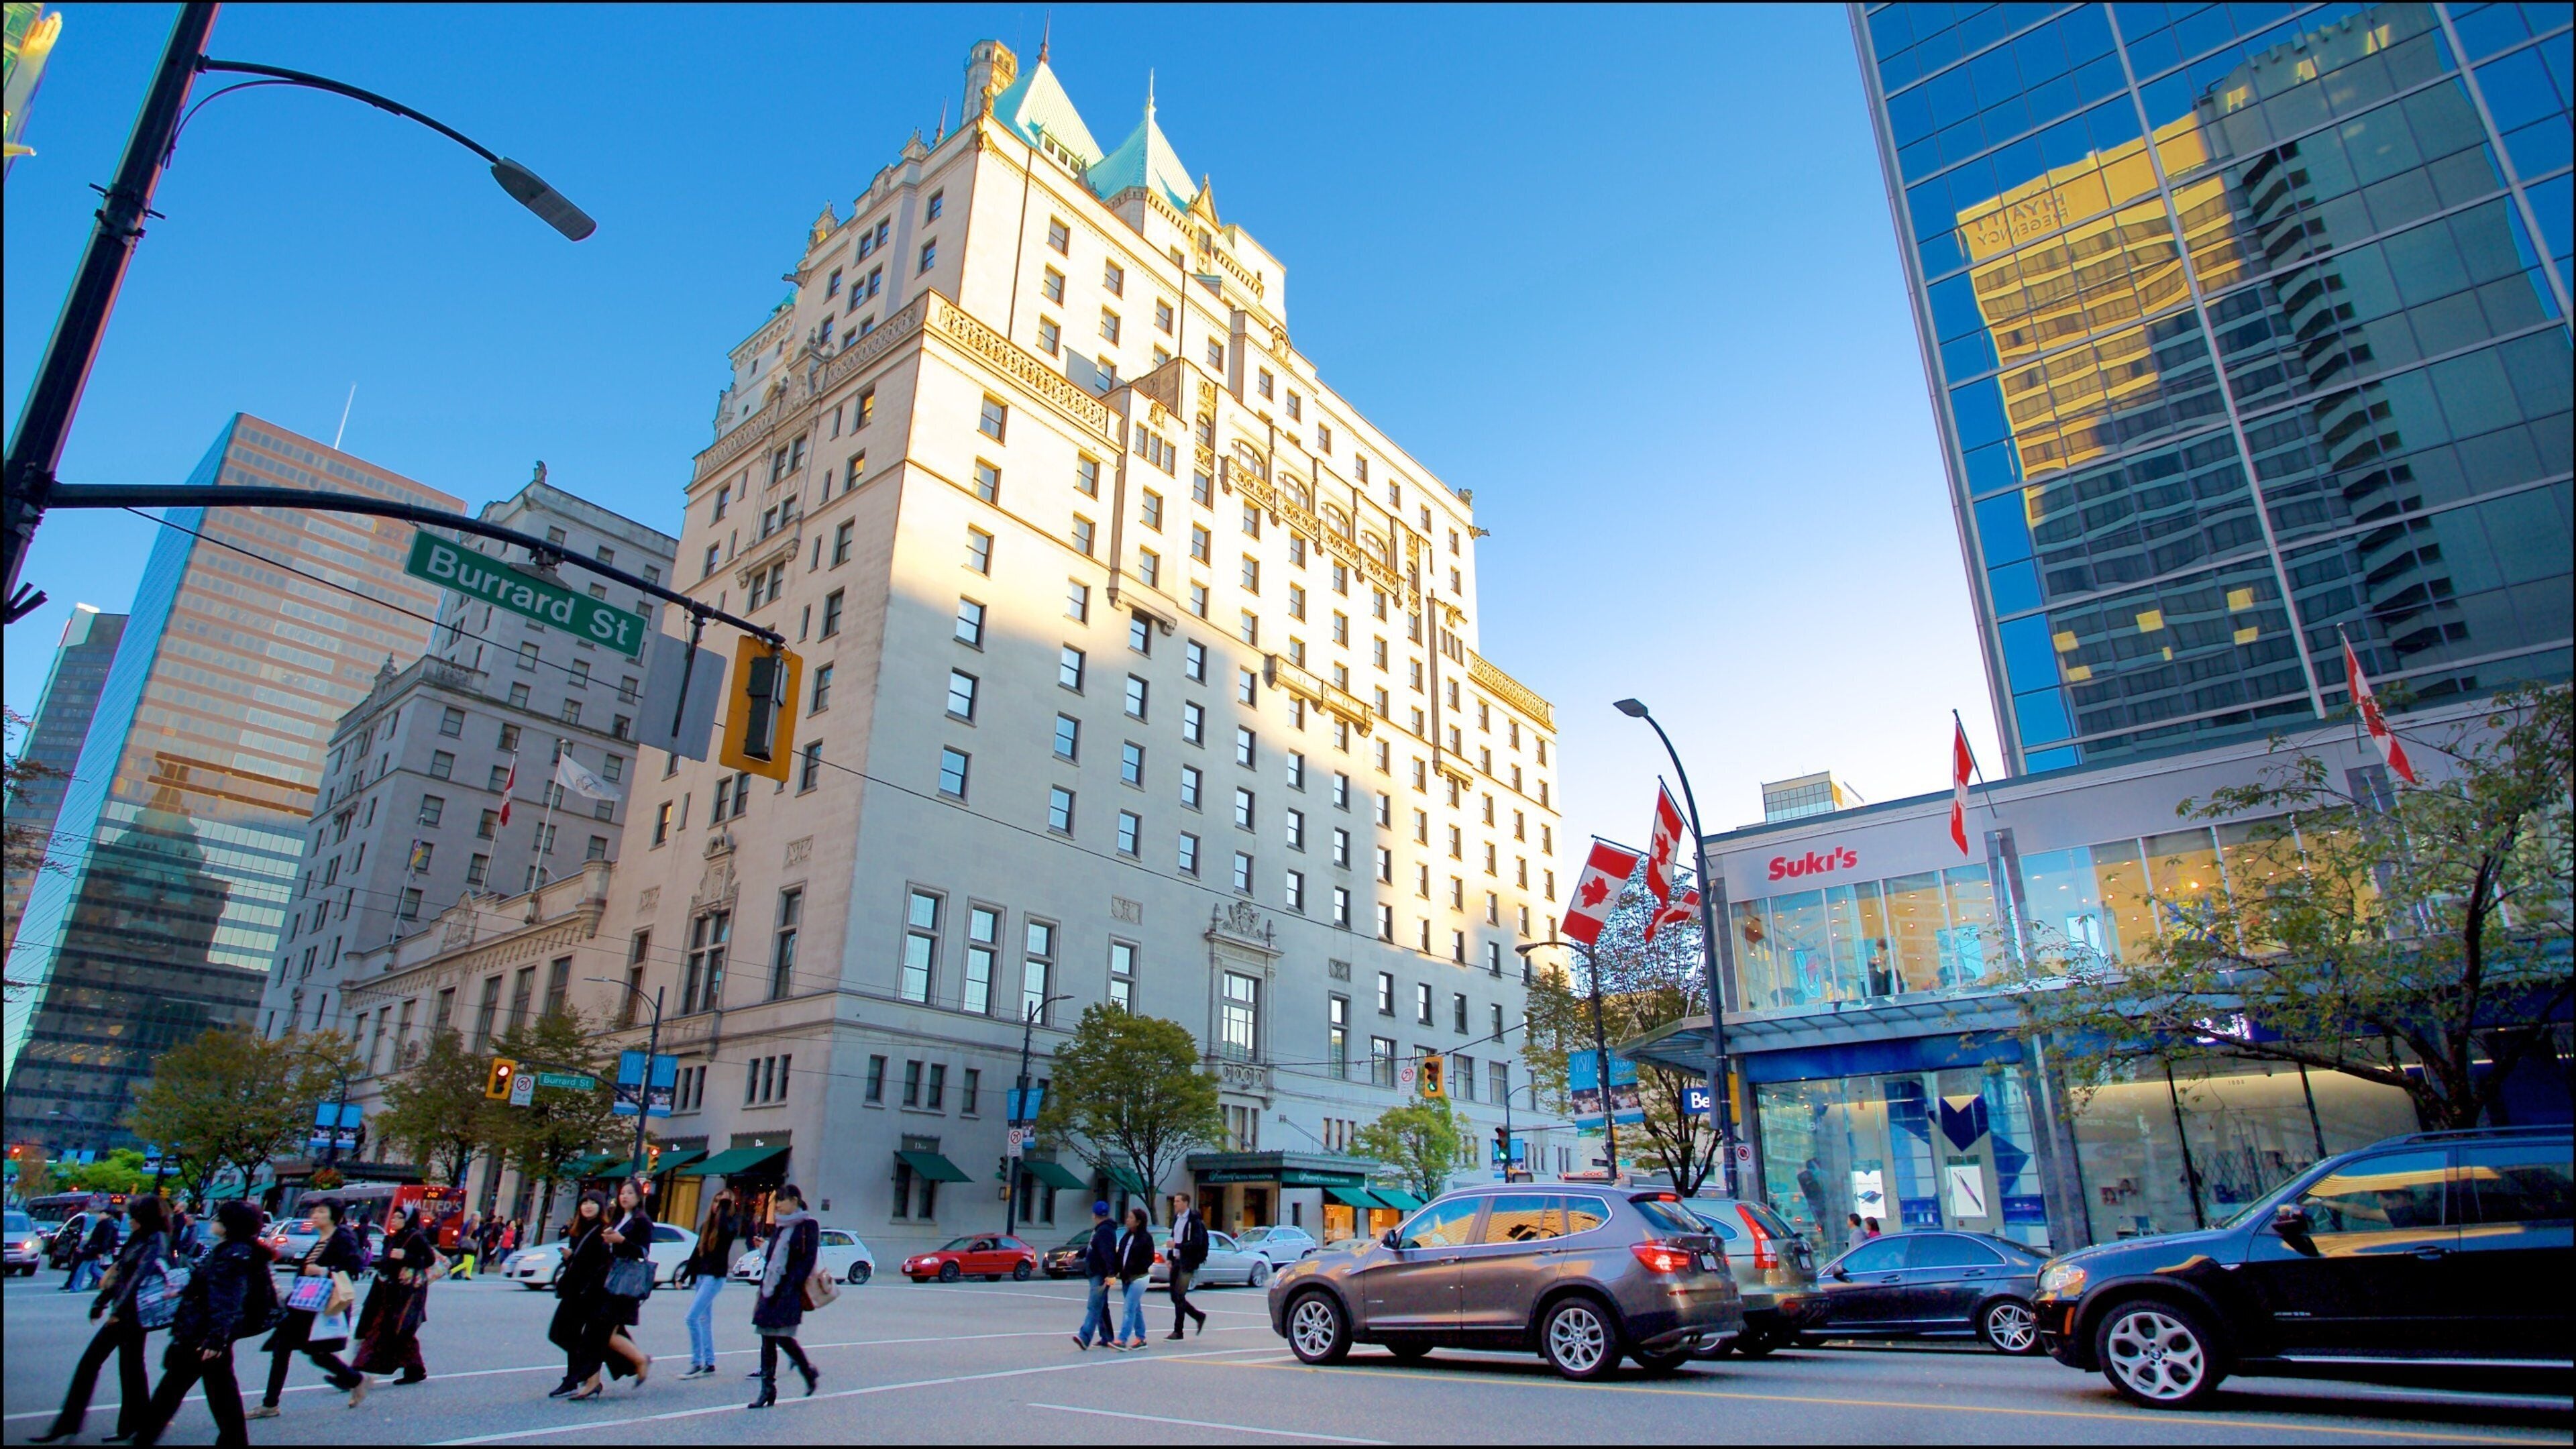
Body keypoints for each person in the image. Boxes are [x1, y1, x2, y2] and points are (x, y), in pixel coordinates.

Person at [131, 1200, 274, 1447]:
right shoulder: (235, 1250)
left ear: (229, 1225)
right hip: (208, 1334)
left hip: (202, 1335)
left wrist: (217, 1337)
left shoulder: (233, 1254)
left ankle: (145, 1437)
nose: (214, 1223)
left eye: (218, 1219)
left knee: (173, 1391)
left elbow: (227, 1299)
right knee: (220, 1394)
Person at [33, 1194, 170, 1444]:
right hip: (128, 1312)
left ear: (143, 1218)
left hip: (132, 1314)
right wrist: (102, 1301)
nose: (128, 1220)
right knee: (130, 1369)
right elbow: (120, 1273)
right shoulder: (141, 1238)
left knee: (97, 1365)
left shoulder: (155, 1240)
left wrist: (116, 1310)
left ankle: (72, 1423)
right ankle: (131, 1425)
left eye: (134, 1216)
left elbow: (139, 1279)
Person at [253, 1198, 368, 1419]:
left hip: (321, 1306)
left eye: (321, 1212)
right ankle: (270, 1404)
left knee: (317, 1354)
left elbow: (355, 1266)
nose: (315, 1215)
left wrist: (325, 1271)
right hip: (304, 1304)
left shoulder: (342, 1237)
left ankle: (355, 1380)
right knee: (282, 1349)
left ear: (334, 1216)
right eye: (315, 1211)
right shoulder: (321, 1239)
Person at [747, 1183, 820, 1409]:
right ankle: (767, 1389)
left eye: (782, 1200)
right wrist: (765, 1248)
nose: (778, 1205)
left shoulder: (808, 1225)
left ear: (795, 1201)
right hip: (770, 1286)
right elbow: (773, 1257)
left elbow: (807, 1259)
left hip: (789, 1289)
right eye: (776, 1200)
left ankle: (807, 1372)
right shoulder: (780, 1226)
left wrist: (791, 1284)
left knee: (782, 1337)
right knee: (767, 1338)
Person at [354, 1205, 433, 1385]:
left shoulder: (415, 1237)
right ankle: (414, 1369)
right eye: (394, 1217)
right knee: (390, 1329)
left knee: (398, 1329)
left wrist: (406, 1256)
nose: (394, 1220)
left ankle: (356, 1371)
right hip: (388, 1290)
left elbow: (429, 1259)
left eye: (399, 1217)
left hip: (406, 1292)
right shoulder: (392, 1238)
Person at [549, 1191, 614, 1400]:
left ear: (601, 1207)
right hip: (574, 1290)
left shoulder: (603, 1231)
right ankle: (578, 1374)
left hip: (590, 1292)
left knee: (567, 1333)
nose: (588, 1206)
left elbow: (602, 1263)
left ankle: (578, 1375)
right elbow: (578, 1263)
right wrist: (571, 1258)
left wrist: (574, 1258)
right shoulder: (577, 1230)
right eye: (584, 1202)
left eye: (593, 1203)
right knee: (561, 1333)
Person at [597, 1177, 655, 1388]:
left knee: (606, 1331)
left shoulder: (642, 1221)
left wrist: (621, 1241)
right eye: (622, 1193)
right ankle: (635, 1363)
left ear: (639, 1197)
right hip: (611, 1277)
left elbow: (643, 1252)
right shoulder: (618, 1218)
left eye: (630, 1193)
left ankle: (640, 1360)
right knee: (609, 1330)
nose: (624, 1196)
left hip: (625, 1281)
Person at [681, 1189, 739, 1376]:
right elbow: (697, 1253)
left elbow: (723, 1230)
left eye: (724, 1203)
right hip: (702, 1276)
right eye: (716, 1201)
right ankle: (709, 1361)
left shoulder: (730, 1225)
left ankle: (697, 1362)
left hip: (715, 1277)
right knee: (704, 1320)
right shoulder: (706, 1226)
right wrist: (683, 1277)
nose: (718, 1206)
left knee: (691, 1318)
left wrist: (724, 1208)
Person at [1069, 1201, 1118, 1351]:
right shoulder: (1104, 1230)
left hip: (1099, 1273)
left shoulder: (1103, 1231)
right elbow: (1094, 1248)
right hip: (1099, 1272)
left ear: (1094, 1215)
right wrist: (1077, 1254)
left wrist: (1110, 1273)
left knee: (1094, 1306)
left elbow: (1107, 1253)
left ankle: (1085, 1337)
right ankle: (1107, 1337)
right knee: (1102, 1306)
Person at [1165, 1193, 1208, 1340]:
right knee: (1174, 1296)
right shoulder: (1176, 1219)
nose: (1175, 1204)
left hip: (1188, 1263)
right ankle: (1198, 1316)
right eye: (1175, 1201)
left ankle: (1178, 1331)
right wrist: (1169, 1257)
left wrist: (1177, 1246)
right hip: (1177, 1261)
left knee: (1179, 1295)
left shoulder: (1193, 1221)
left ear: (1186, 1203)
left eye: (1178, 1201)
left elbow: (1196, 1243)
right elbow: (1173, 1238)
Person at [1114, 1206, 1154, 1350]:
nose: (1127, 1220)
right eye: (1128, 1218)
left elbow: (1149, 1259)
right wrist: (1115, 1272)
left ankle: (1122, 1339)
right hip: (1126, 1279)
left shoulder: (1146, 1238)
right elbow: (1120, 1257)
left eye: (1131, 1218)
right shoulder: (1126, 1237)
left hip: (1139, 1278)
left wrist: (1134, 1269)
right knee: (1136, 1309)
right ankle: (1141, 1338)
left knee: (1129, 1308)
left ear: (1138, 1222)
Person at [67, 1203, 120, 1293]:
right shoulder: (102, 1224)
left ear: (107, 1215)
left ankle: (76, 1287)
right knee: (93, 1268)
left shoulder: (106, 1225)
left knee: (82, 1269)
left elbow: (105, 1240)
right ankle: (111, 1282)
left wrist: (101, 1251)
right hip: (94, 1249)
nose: (100, 1215)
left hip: (95, 1250)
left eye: (102, 1213)